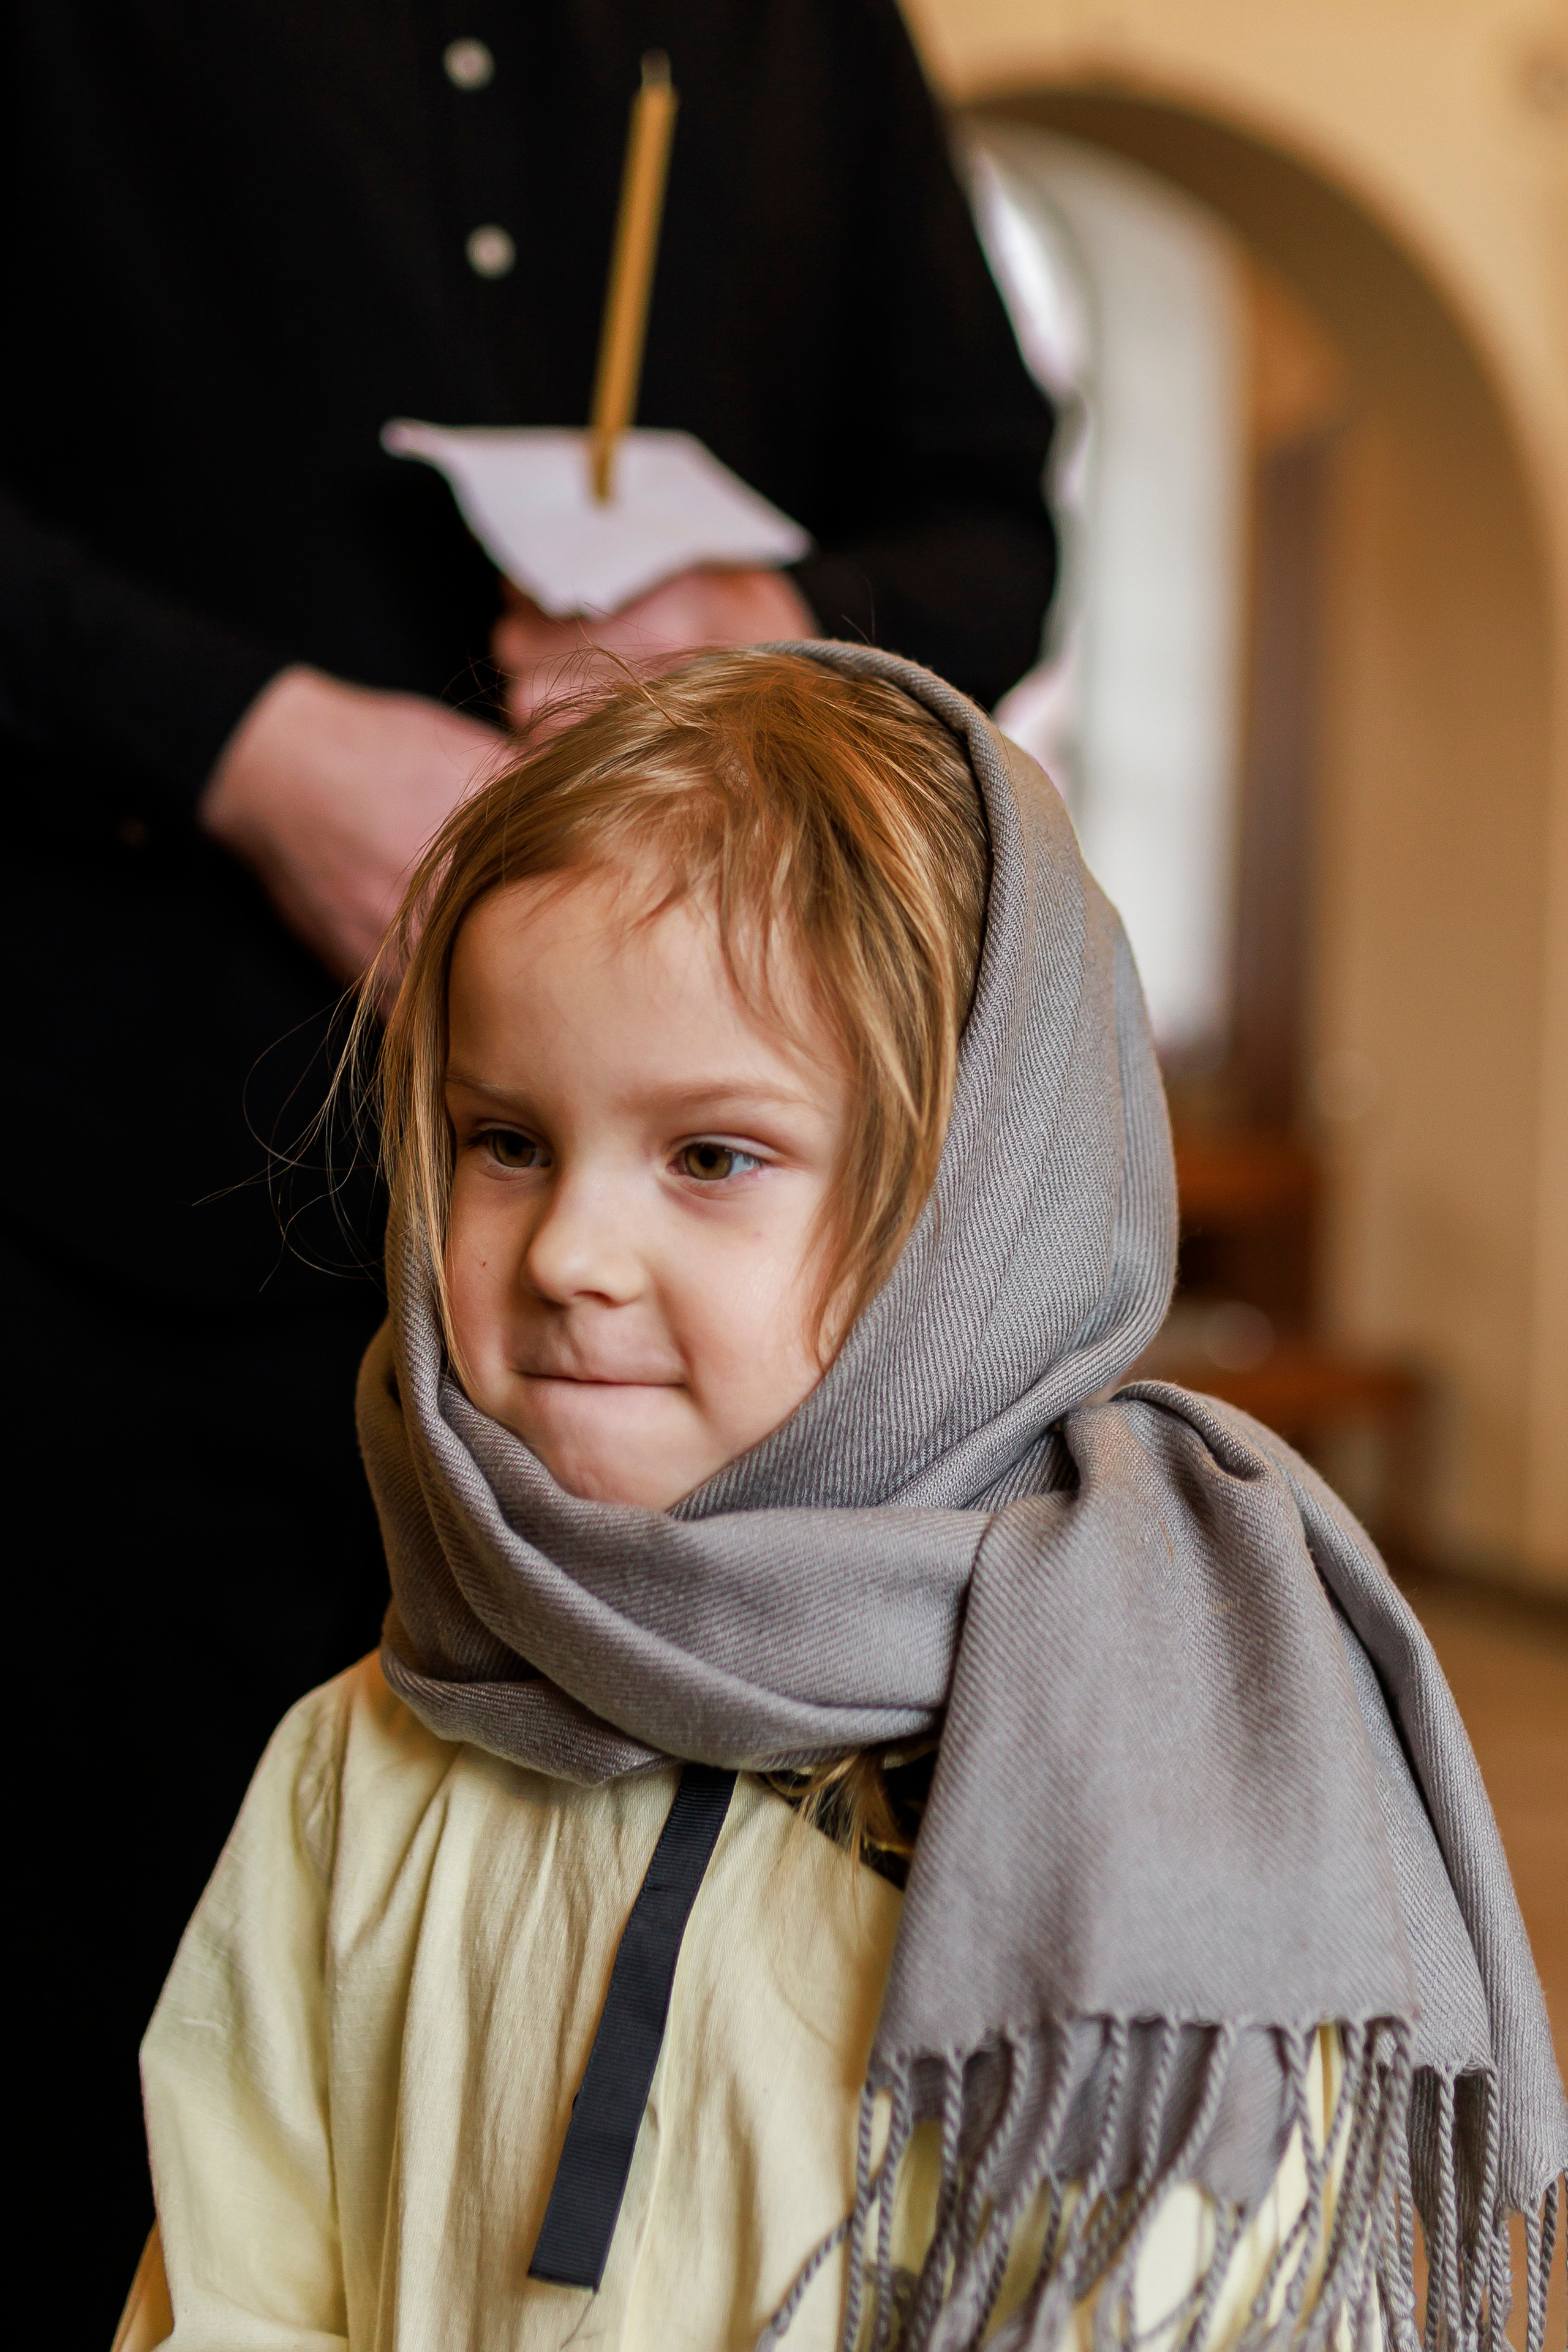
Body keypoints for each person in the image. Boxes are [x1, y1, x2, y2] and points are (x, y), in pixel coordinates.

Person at [124, 647, 1565, 2351]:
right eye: (504, 1141)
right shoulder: (362, 1756)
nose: (570, 1255)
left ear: (975, 1219)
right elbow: (233, 2286)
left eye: (711, 1156)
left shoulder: (1160, 1782)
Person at [0, 3, 1056, 2319]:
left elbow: (993, 510)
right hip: (111, 1224)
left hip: (745, 1369)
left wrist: (767, 641)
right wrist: (244, 746)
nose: (564, 1253)